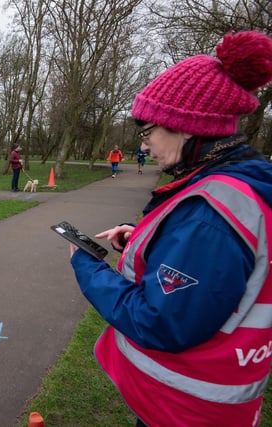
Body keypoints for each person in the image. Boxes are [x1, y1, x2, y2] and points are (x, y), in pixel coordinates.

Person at [65, 31, 272, 427]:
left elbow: (161, 321)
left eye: (148, 132)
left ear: (185, 127)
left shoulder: (211, 212)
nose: (144, 146)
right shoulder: (230, 189)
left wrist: (87, 267)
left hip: (185, 411)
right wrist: (142, 235)